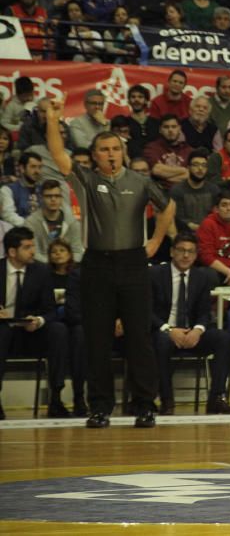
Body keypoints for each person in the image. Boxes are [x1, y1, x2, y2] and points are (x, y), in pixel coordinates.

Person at [45, 99, 175, 429]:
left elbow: (168, 206)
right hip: (97, 265)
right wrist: (52, 118)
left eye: (115, 148)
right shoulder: (86, 179)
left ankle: (145, 404)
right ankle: (100, 407)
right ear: (95, 154)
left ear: (123, 149)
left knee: (139, 337)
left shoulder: (140, 181)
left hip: (133, 263)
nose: (110, 153)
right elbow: (59, 154)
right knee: (97, 338)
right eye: (103, 149)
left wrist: (157, 240)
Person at [149, 233, 230, 415]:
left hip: (192, 334)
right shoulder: (155, 274)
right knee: (161, 341)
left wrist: (197, 330)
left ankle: (216, 399)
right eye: (181, 250)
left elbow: (205, 312)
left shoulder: (202, 277)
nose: (186, 255)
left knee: (223, 338)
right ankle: (166, 400)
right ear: (172, 252)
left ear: (196, 255)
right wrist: (169, 330)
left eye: (190, 252)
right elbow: (147, 311)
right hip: (165, 332)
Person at [0, 227, 68, 419]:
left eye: (33, 246)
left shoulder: (41, 270)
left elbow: (51, 309)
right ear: (12, 252)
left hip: (30, 332)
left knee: (58, 330)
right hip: (4, 331)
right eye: (27, 247)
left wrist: (39, 320)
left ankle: (56, 398)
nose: (33, 251)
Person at [23, 179, 84, 263]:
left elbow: (77, 251)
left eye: (57, 196)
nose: (53, 199)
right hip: (42, 269)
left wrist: (64, 264)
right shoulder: (31, 223)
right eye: (48, 196)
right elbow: (33, 252)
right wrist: (54, 265)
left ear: (61, 198)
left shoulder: (72, 222)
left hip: (67, 268)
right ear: (41, 198)